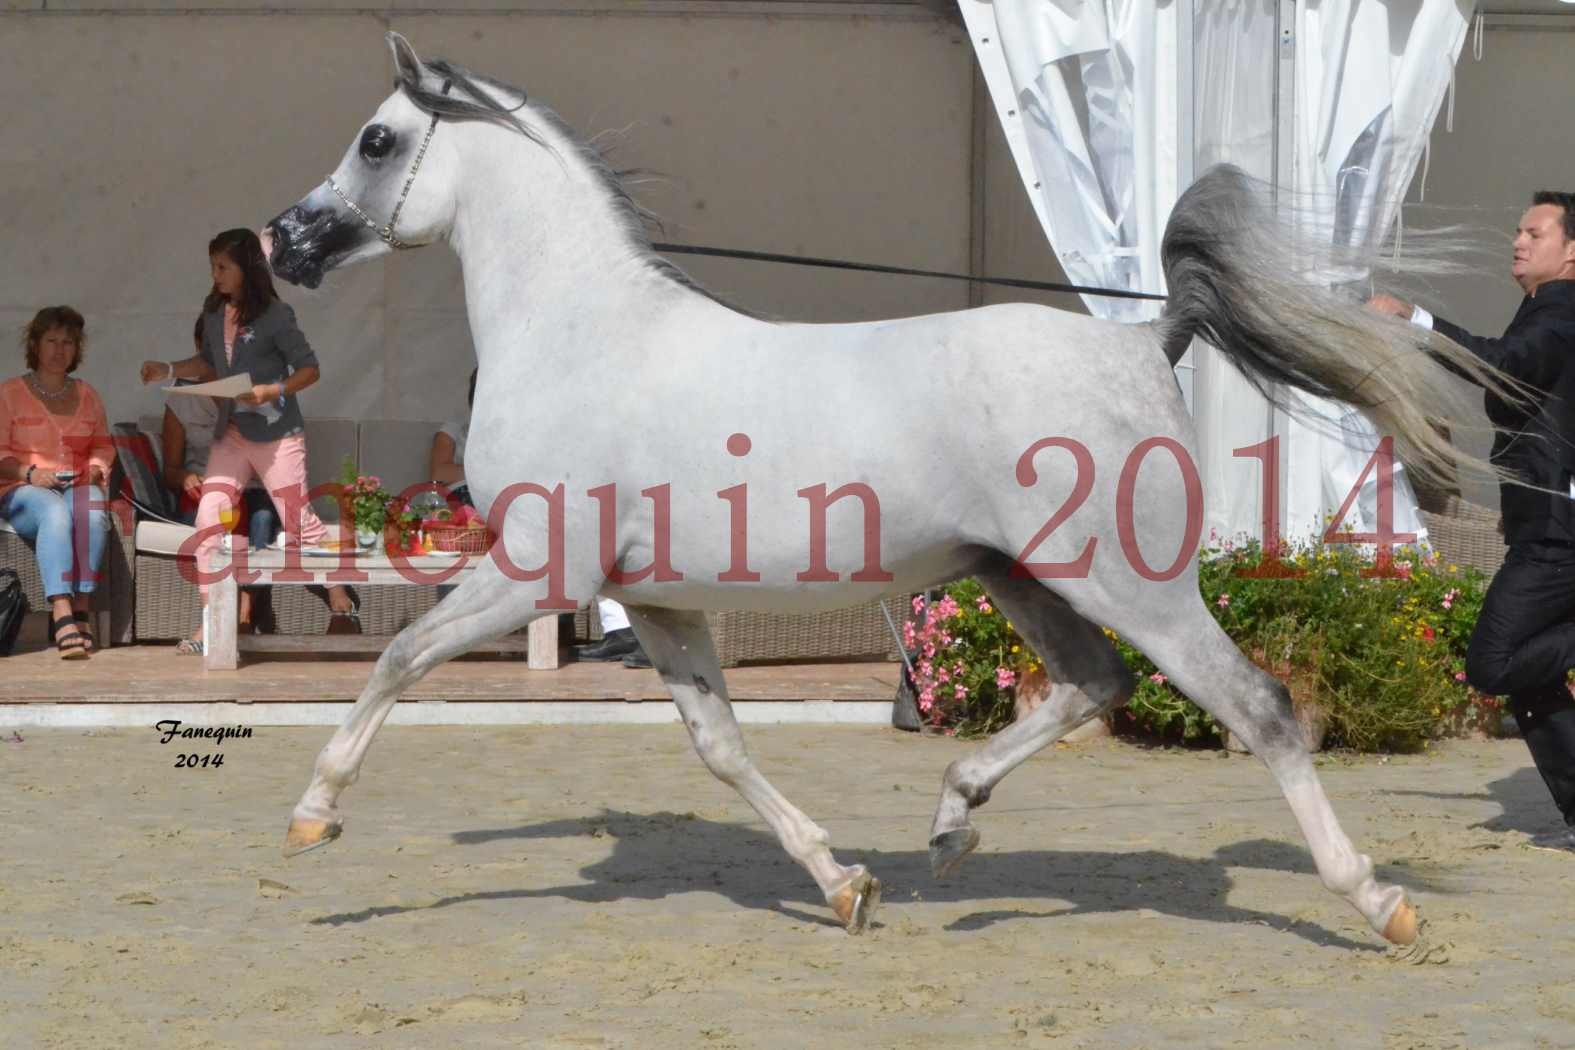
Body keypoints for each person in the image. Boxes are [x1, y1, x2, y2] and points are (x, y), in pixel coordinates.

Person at [1370, 189, 1575, 852]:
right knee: (1530, 678)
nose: (1517, 241)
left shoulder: (1562, 312)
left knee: (1492, 661)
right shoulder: (1542, 310)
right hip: (1540, 520)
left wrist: (1417, 320)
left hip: (1554, 528)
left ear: (1571, 252)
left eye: (1534, 232)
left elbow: (1508, 365)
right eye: (1517, 229)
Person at [139, 228, 356, 653]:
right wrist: (165, 369)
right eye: (213, 267)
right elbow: (210, 364)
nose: (215, 275)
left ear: (247, 268)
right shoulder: (215, 309)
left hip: (276, 434)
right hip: (232, 435)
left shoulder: (277, 314)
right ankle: (212, 619)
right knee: (209, 520)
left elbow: (310, 369)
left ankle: (339, 598)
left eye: (223, 267)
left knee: (298, 522)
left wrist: (270, 390)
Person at [161, 317, 357, 647]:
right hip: (208, 492)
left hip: (259, 490)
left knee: (266, 516)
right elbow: (170, 470)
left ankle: (244, 611)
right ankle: (232, 614)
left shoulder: (256, 386)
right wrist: (186, 478)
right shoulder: (183, 397)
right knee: (222, 520)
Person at [0, 306, 116, 658]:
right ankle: (61, 609)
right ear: (35, 344)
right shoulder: (9, 393)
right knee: (53, 509)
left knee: (93, 509)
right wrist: (32, 474)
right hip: (21, 490)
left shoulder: (88, 394)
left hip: (75, 485)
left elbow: (102, 444)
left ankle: (81, 607)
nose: (59, 350)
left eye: (68, 342)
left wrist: (96, 468)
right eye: (51, 340)